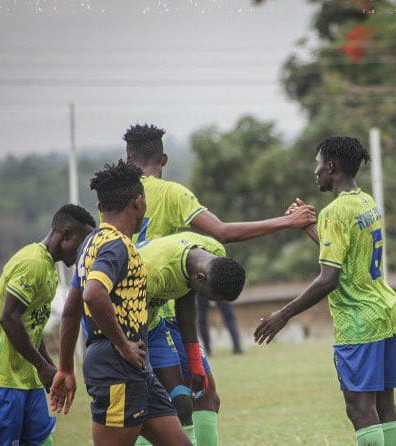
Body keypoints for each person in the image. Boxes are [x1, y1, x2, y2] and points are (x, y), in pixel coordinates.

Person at [121, 123, 316, 446]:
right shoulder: (171, 193)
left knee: (178, 402)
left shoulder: (115, 198)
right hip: (161, 313)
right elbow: (221, 231)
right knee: (187, 402)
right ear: (164, 160)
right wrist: (288, 221)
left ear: (128, 158)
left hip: (135, 312)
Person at [254, 136, 396, 446]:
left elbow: (328, 279)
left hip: (359, 322)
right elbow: (343, 257)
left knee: (360, 409)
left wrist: (283, 315)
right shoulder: (366, 202)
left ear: (331, 167)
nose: (316, 171)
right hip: (386, 314)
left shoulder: (335, 212)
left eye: (318, 164)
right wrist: (308, 227)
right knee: (385, 406)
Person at [49, 160, 190, 446]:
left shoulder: (90, 243)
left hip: (134, 367)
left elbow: (71, 311)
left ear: (100, 207)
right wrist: (123, 344)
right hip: (117, 365)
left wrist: (65, 368)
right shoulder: (117, 245)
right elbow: (93, 294)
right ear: (138, 202)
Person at [0, 203, 95, 446]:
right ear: (66, 234)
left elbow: (32, 328)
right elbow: (9, 319)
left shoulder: (50, 268)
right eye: (82, 244)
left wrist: (52, 370)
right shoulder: (32, 262)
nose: (83, 252)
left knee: (42, 440)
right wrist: (42, 366)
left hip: (27, 376)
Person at [137, 231, 246, 444]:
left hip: (154, 325)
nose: (210, 303)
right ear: (201, 278)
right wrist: (143, 367)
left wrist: (195, 362)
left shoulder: (213, 253)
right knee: (146, 408)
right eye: (210, 297)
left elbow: (186, 300)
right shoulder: (155, 271)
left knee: (188, 401)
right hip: (124, 329)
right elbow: (132, 322)